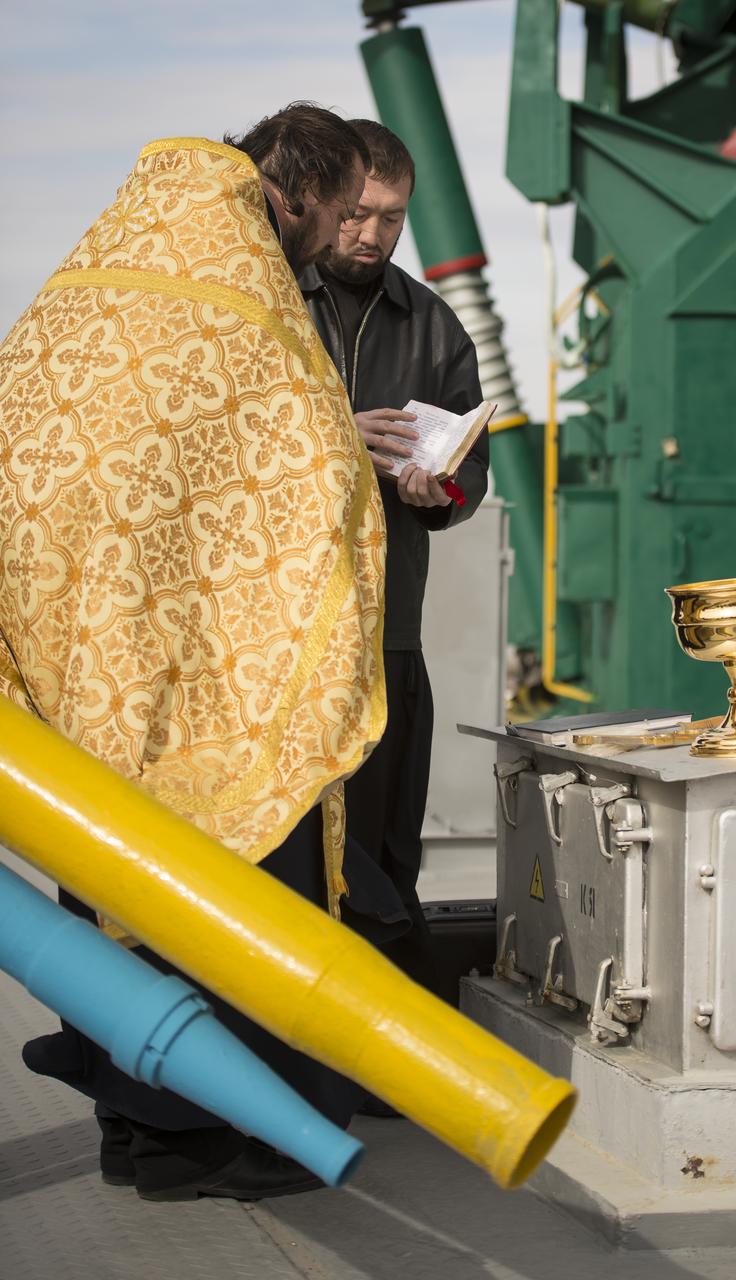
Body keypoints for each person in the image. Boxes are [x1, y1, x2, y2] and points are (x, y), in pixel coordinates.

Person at [0, 104, 402, 1201]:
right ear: (299, 191)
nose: (332, 242)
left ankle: (133, 1133)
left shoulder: (95, 277)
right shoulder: (240, 296)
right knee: (235, 901)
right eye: (333, 216)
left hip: (81, 662)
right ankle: (214, 1141)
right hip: (217, 670)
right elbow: (314, 471)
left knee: (109, 893)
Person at [298, 120, 489, 1014]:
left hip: (387, 636)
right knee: (295, 864)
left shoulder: (434, 325)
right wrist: (344, 437)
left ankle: (380, 1064)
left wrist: (434, 489)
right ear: (328, 204)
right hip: (282, 643)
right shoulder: (266, 299)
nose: (371, 235)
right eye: (359, 214)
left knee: (385, 857)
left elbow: (470, 481)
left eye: (394, 218)